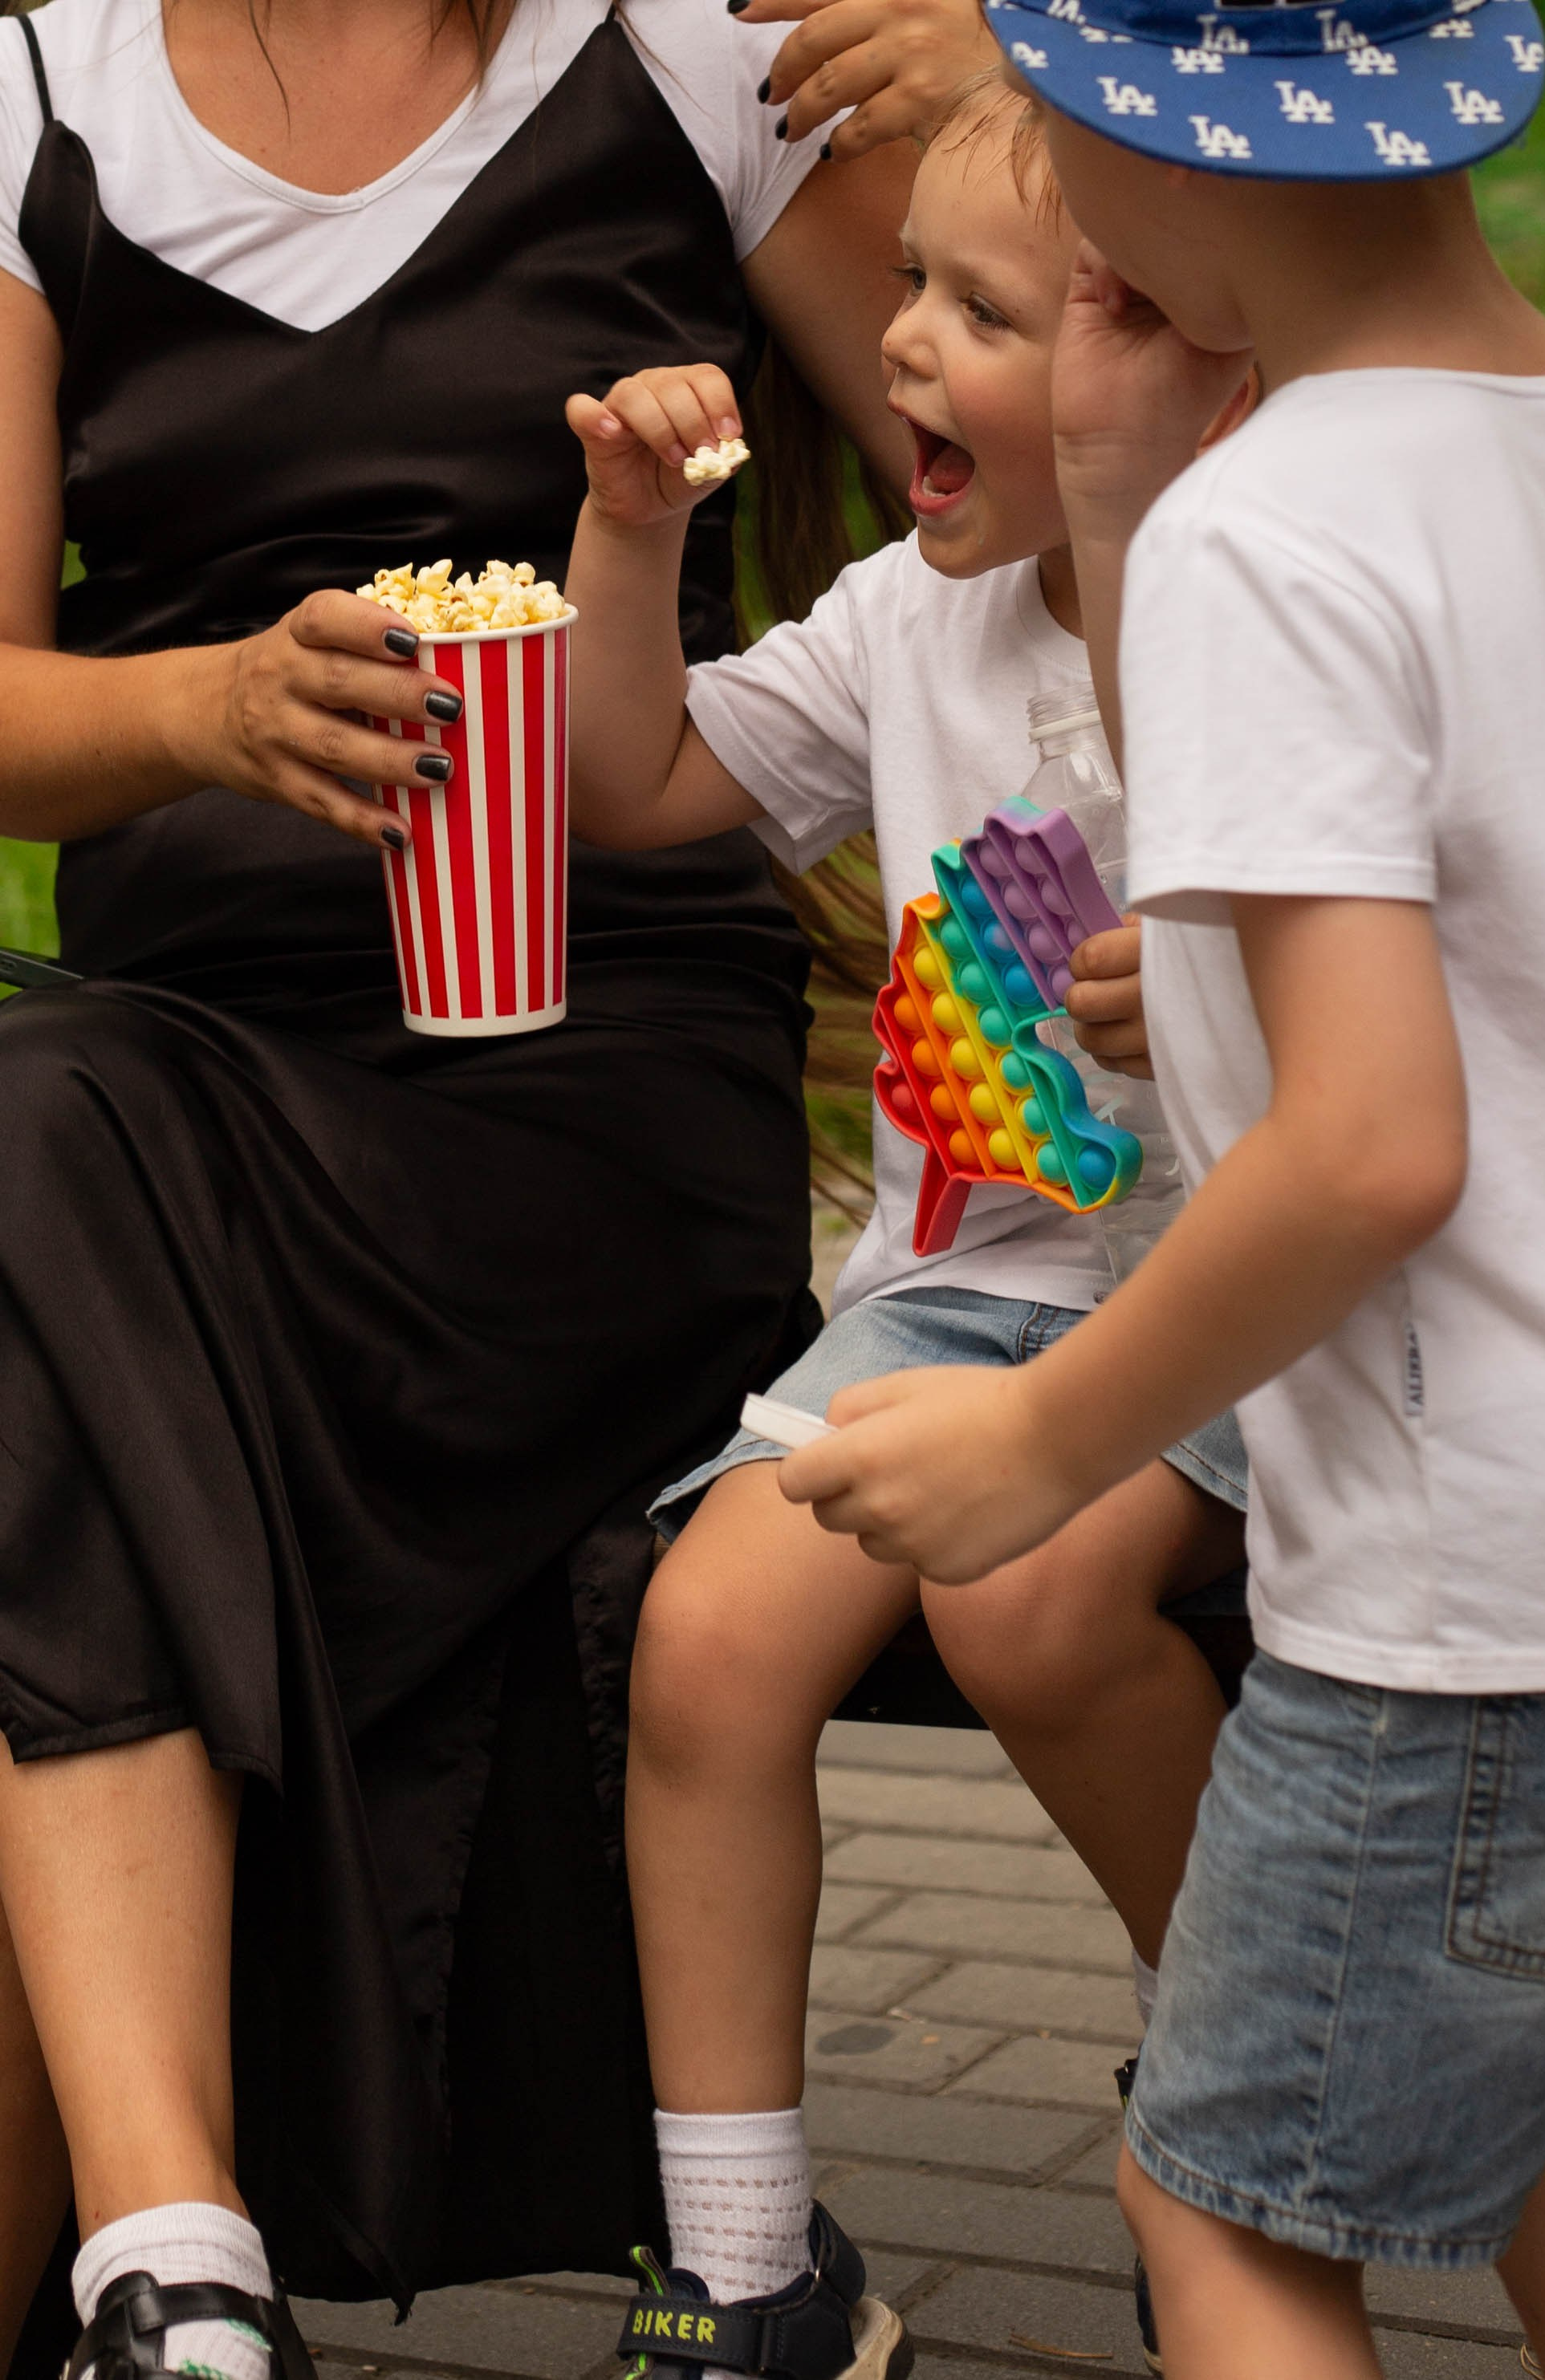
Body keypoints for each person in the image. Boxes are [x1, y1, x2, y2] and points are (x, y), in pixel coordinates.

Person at [772, 6, 1545, 2377]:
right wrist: (1130, 487)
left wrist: (1036, 1439)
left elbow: (1372, 1145)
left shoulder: (1268, 535)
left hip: (1489, 1588)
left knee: (1224, 2212)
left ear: (1160, 157)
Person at [0, 0, 993, 2370]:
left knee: (40, 1291)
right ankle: (176, 2259)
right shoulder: (37, 88)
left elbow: (1085, 447)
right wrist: (206, 706)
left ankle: (166, 2276)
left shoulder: (696, 47)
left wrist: (1028, 95)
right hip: (195, 1079)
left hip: (602, 1084)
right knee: (36, 1162)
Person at [559, 79, 1246, 2379]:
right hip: (962, 1299)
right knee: (706, 1637)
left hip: (1243, 1305)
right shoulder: (902, 617)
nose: (904, 345)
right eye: (907, 288)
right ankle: (748, 2265)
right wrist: (631, 539)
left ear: (1181, 355)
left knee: (1037, 1601)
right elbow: (637, 782)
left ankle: (1225, 2115)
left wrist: (1213, 993)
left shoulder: (1272, 619)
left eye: (981, 311)